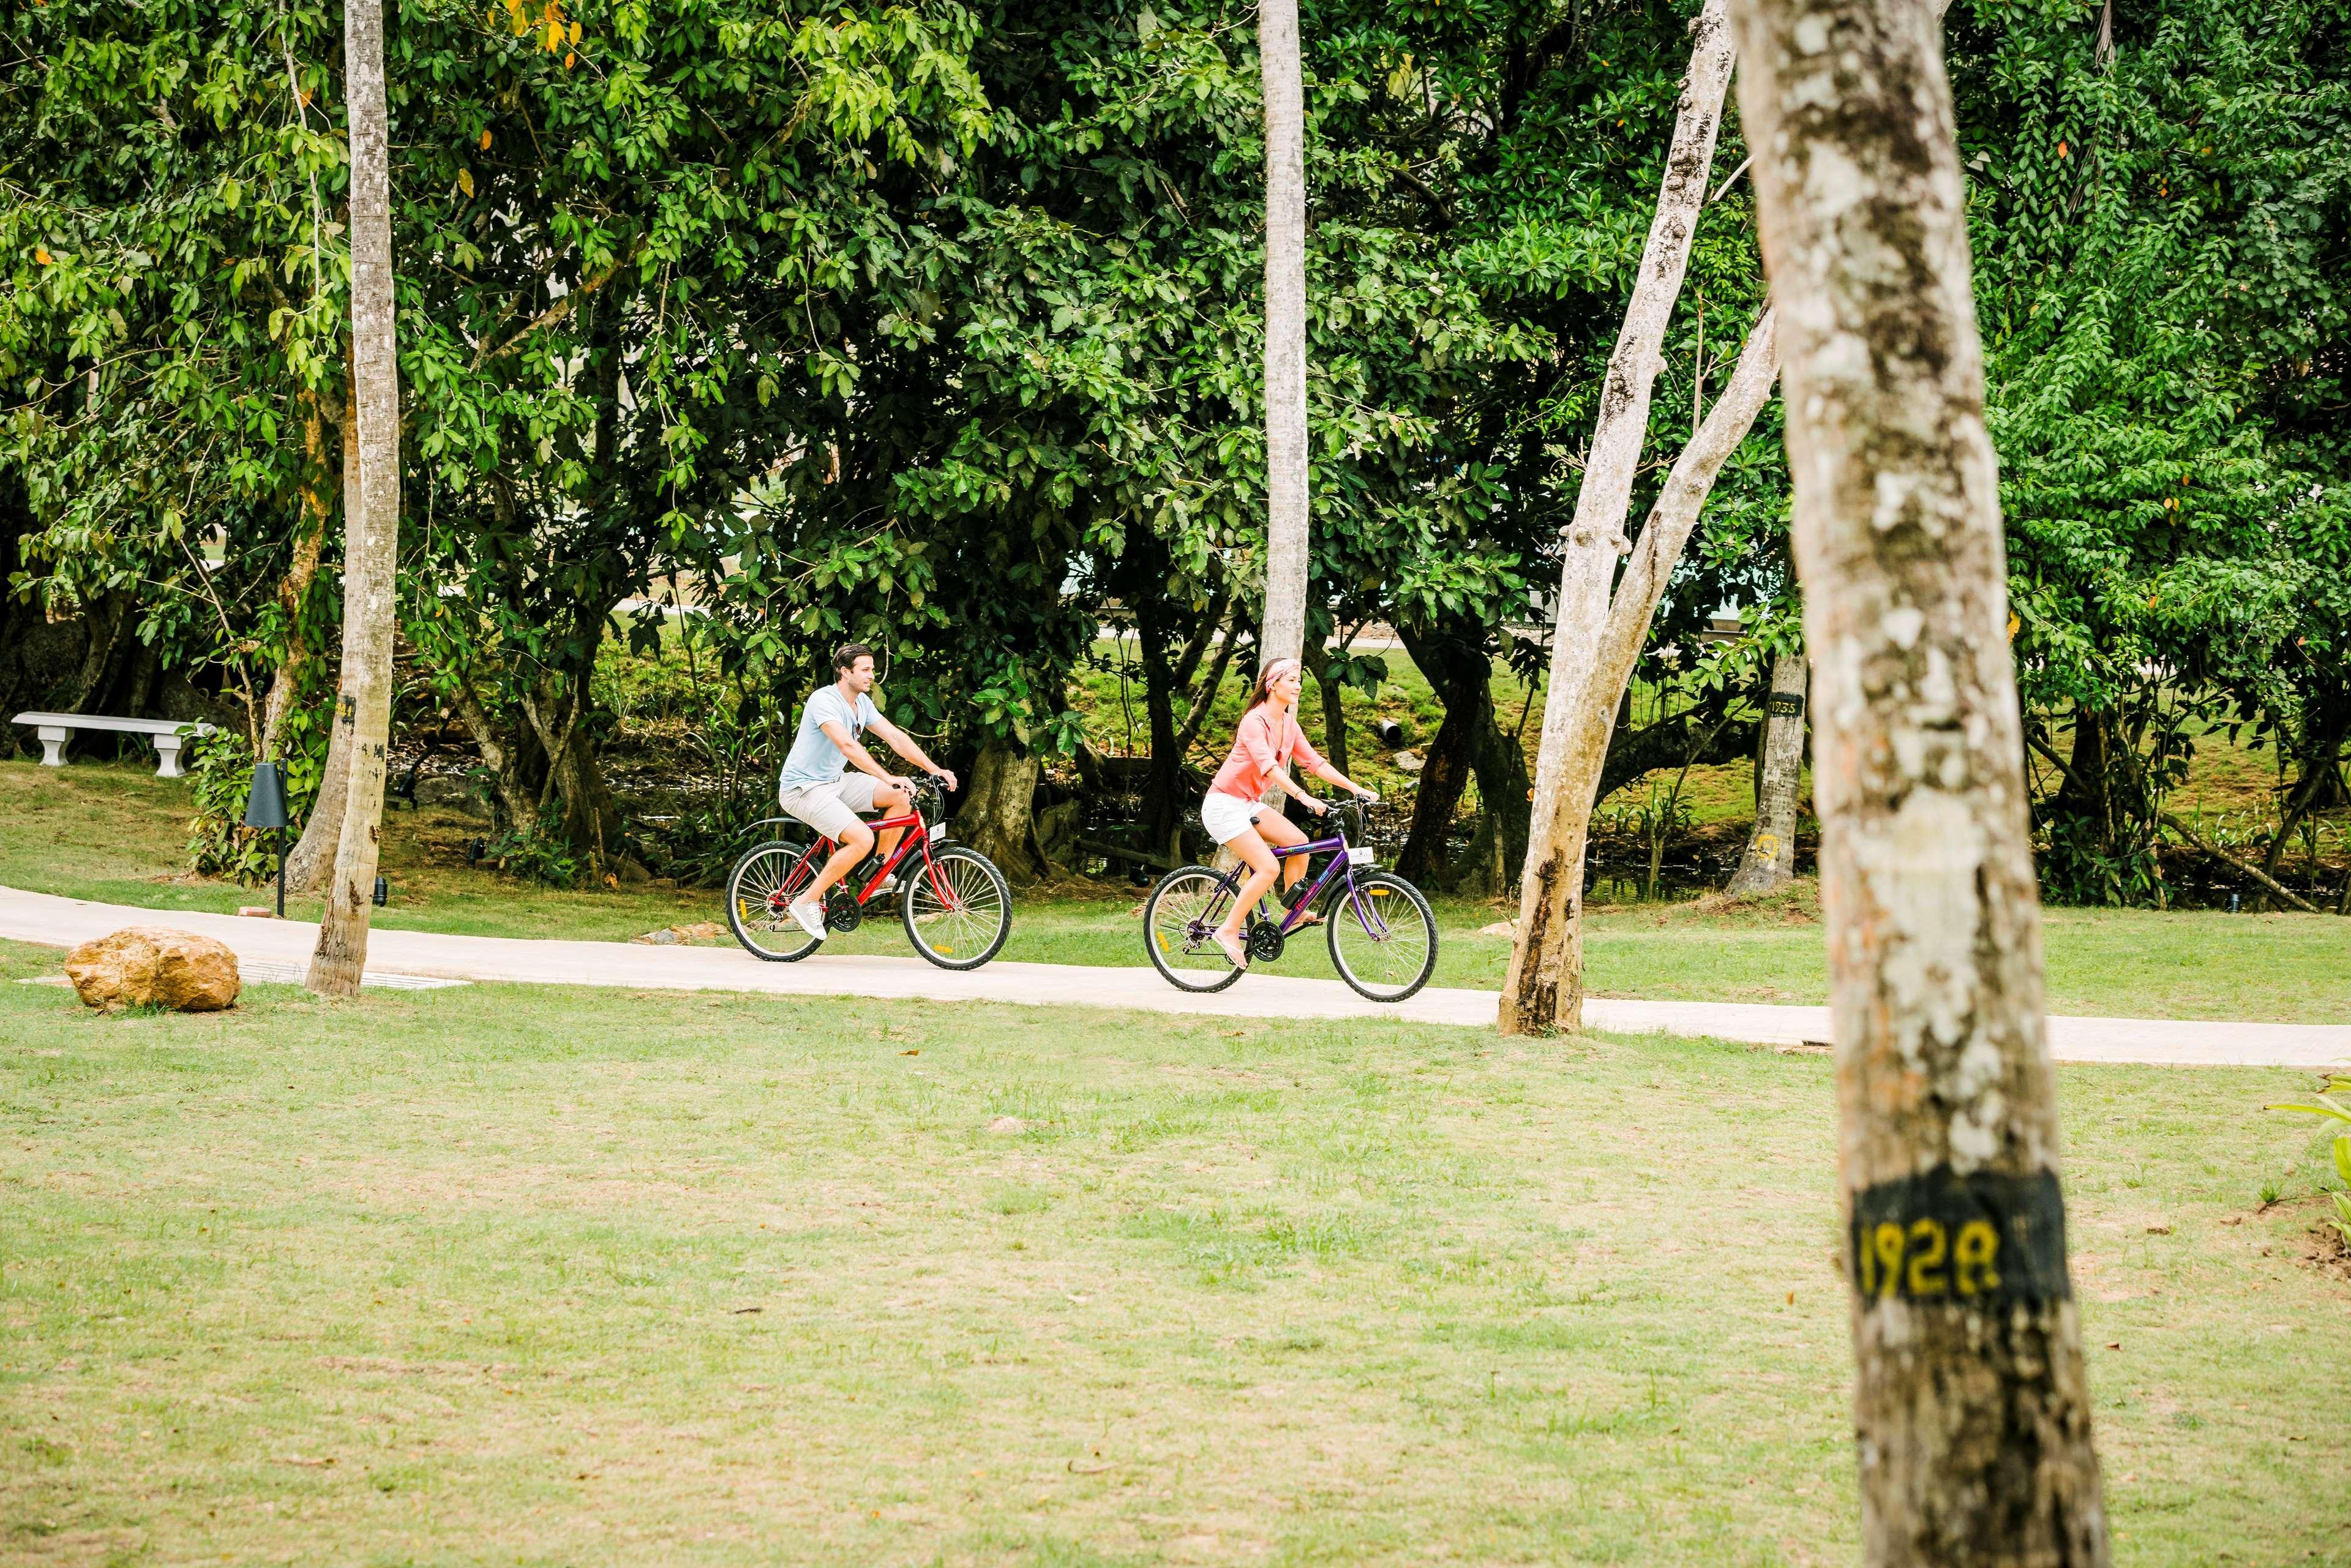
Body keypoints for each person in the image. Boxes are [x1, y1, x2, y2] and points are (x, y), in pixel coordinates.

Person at [1201, 656, 1377, 970]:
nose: (1298, 686)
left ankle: (1290, 912)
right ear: (1273, 684)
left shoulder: (1287, 723)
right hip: (1224, 804)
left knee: (1299, 842)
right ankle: (1228, 930)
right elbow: (1268, 767)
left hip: (1248, 803)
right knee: (1268, 868)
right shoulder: (1254, 722)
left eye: (1299, 681)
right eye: (1292, 680)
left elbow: (1315, 763)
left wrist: (1355, 788)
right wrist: (1303, 796)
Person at [775, 643, 958, 942]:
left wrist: (934, 768)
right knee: (862, 838)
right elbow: (848, 746)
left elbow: (896, 737)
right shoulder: (824, 700)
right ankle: (806, 900)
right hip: (802, 788)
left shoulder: (862, 704)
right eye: (866, 669)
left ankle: (881, 870)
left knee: (900, 797)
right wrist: (888, 776)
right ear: (845, 672)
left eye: (872, 669)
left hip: (834, 781)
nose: (872, 675)